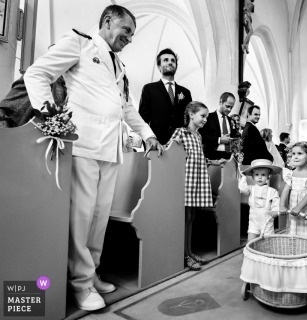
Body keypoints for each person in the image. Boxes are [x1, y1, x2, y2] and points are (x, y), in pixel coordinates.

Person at [23, 5, 163, 311]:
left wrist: (149, 134)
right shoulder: (80, 44)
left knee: (100, 218)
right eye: (126, 31)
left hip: (111, 149)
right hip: (83, 143)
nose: (129, 39)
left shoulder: (121, 67)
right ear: (108, 21)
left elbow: (127, 109)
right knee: (82, 216)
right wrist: (50, 118)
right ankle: (81, 285)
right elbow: (37, 74)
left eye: (132, 35)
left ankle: (92, 272)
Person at [166, 101, 225, 271]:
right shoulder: (181, 132)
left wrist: (213, 161)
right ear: (192, 115)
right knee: (185, 218)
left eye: (206, 116)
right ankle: (184, 255)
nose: (205, 119)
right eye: (203, 116)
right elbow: (171, 153)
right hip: (185, 180)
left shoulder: (198, 136)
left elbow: (198, 158)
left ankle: (190, 252)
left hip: (196, 179)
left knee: (191, 217)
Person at [139, 48, 193, 144]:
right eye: (166, 60)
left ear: (176, 66)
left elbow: (189, 120)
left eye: (173, 60)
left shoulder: (185, 92)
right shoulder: (149, 89)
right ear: (159, 66)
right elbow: (143, 120)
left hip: (180, 144)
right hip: (157, 144)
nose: (170, 62)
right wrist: (147, 141)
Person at [279, 142, 307, 242]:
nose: (295, 157)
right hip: (293, 207)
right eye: (293, 154)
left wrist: (299, 207)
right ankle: (296, 252)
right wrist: (282, 205)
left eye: (300, 154)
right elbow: (285, 190)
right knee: (294, 233)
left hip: (306, 207)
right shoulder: (290, 174)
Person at [238, 159, 281, 241]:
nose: (260, 177)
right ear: (253, 177)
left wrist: (275, 209)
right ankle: (251, 252)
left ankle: (267, 252)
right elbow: (243, 189)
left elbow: (276, 201)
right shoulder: (251, 189)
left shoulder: (272, 191)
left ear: (269, 176)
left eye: (263, 175)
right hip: (254, 220)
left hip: (267, 220)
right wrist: (243, 178)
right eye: (257, 175)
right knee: (250, 240)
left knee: (268, 240)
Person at [199, 92, 240, 160]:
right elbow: (201, 137)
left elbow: (235, 138)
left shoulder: (232, 121)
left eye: (231, 107)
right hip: (213, 157)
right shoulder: (208, 118)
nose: (229, 110)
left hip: (229, 158)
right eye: (227, 106)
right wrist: (219, 139)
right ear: (220, 102)